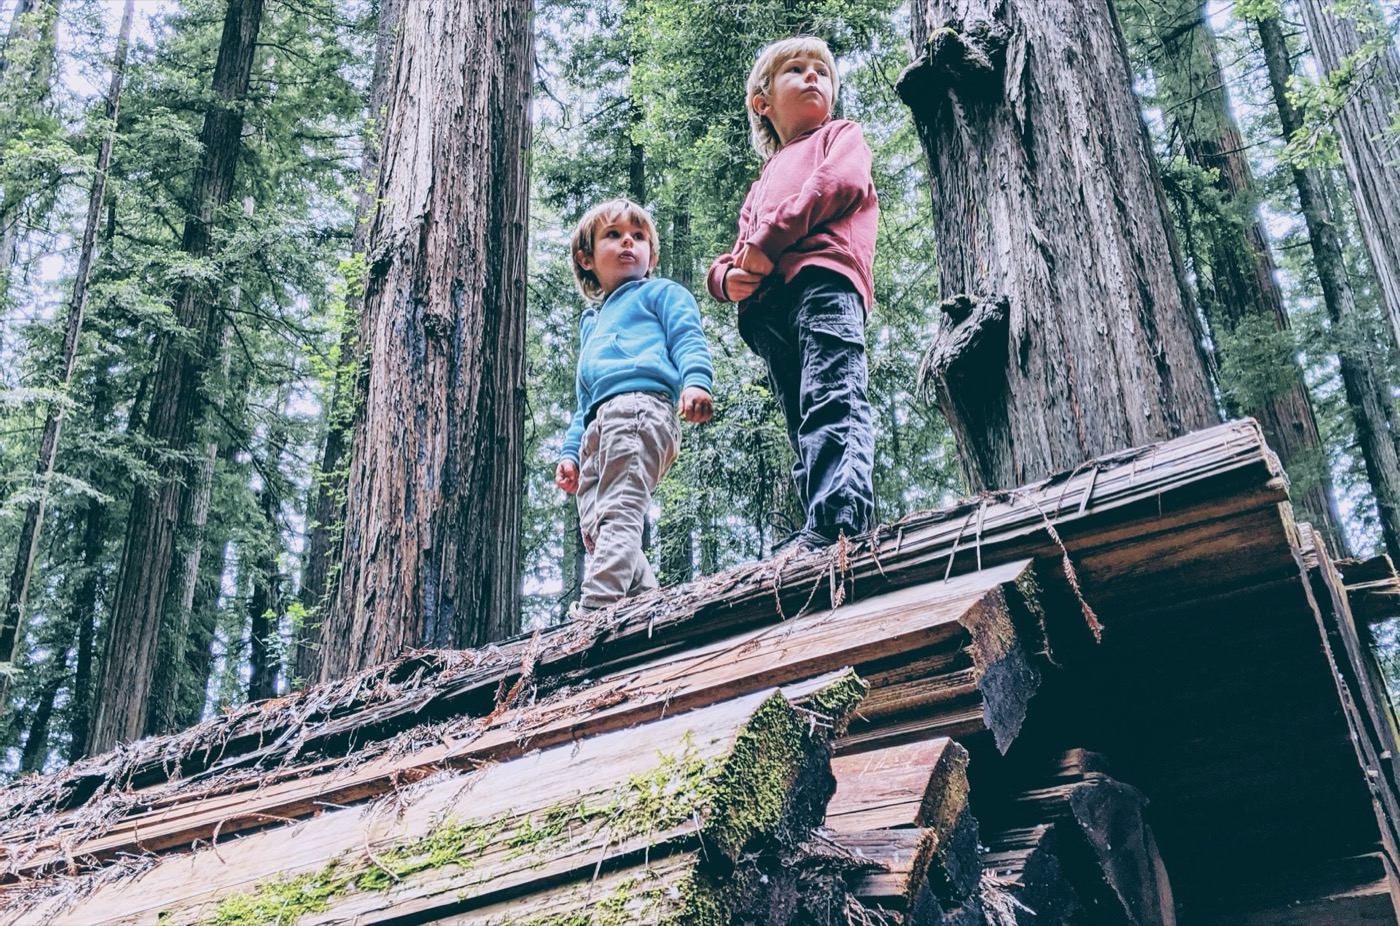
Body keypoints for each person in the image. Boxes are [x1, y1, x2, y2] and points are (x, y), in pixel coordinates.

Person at [707, 35, 878, 552]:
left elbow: (836, 186)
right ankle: (818, 520)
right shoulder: (763, 179)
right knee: (800, 412)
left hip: (825, 279)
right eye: (796, 70)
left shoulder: (841, 136)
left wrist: (768, 241)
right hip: (771, 309)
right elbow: (740, 246)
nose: (812, 78)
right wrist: (724, 277)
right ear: (762, 103)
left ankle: (839, 520)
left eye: (822, 73)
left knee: (833, 393)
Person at [556, 198, 714, 613]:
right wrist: (571, 453)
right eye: (614, 235)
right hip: (597, 427)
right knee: (596, 524)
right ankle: (647, 605)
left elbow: (688, 337)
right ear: (586, 258)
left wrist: (696, 381)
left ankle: (595, 610)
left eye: (638, 236)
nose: (628, 241)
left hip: (641, 409)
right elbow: (583, 399)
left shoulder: (661, 293)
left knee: (620, 508)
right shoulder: (592, 324)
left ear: (651, 255)